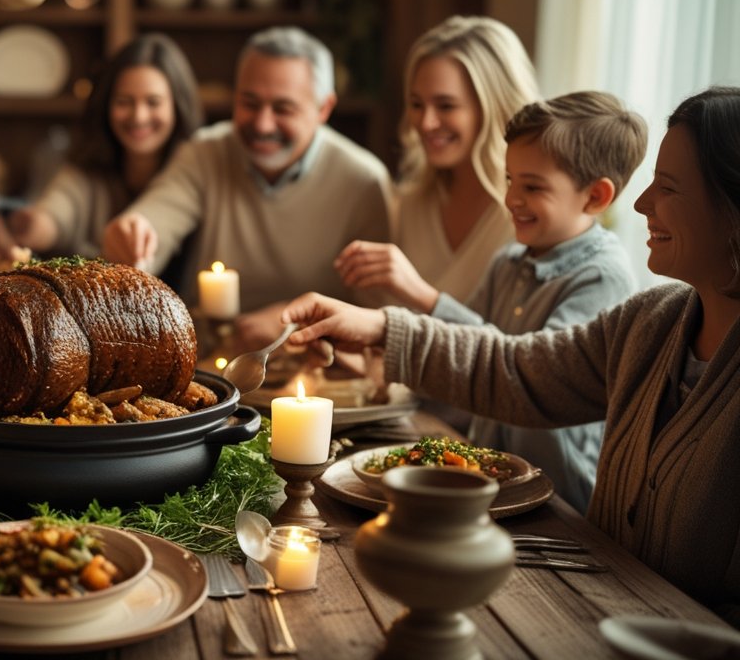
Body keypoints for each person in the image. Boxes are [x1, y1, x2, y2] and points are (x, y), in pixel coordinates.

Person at [279, 86, 740, 624]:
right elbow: (516, 369)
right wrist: (380, 327)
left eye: (668, 187)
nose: (641, 205)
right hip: (593, 613)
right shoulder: (652, 321)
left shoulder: (613, 284)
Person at [101, 26, 392, 351]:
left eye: (283, 109)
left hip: (317, 375)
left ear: (324, 108)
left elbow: (376, 318)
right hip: (210, 364)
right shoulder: (205, 153)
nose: (263, 124)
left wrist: (293, 322)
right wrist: (132, 234)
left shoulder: (364, 181)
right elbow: (156, 218)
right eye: (249, 103)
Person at [439, 91, 647, 513]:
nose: (512, 198)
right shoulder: (507, 262)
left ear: (595, 198)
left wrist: (425, 298)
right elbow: (458, 350)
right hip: (486, 484)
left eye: (532, 186)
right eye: (511, 179)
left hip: (558, 503)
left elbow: (532, 375)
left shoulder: (603, 276)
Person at [334, 16, 540, 312]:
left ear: (494, 106)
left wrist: (416, 292)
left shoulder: (528, 215)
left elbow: (515, 350)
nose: (426, 123)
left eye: (446, 106)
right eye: (417, 104)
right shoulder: (410, 203)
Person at [7, 33, 203, 268]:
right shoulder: (87, 169)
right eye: (124, 102)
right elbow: (56, 210)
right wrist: (24, 224)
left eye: (153, 102)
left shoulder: (196, 171)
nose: (138, 117)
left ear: (177, 105)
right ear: (106, 105)